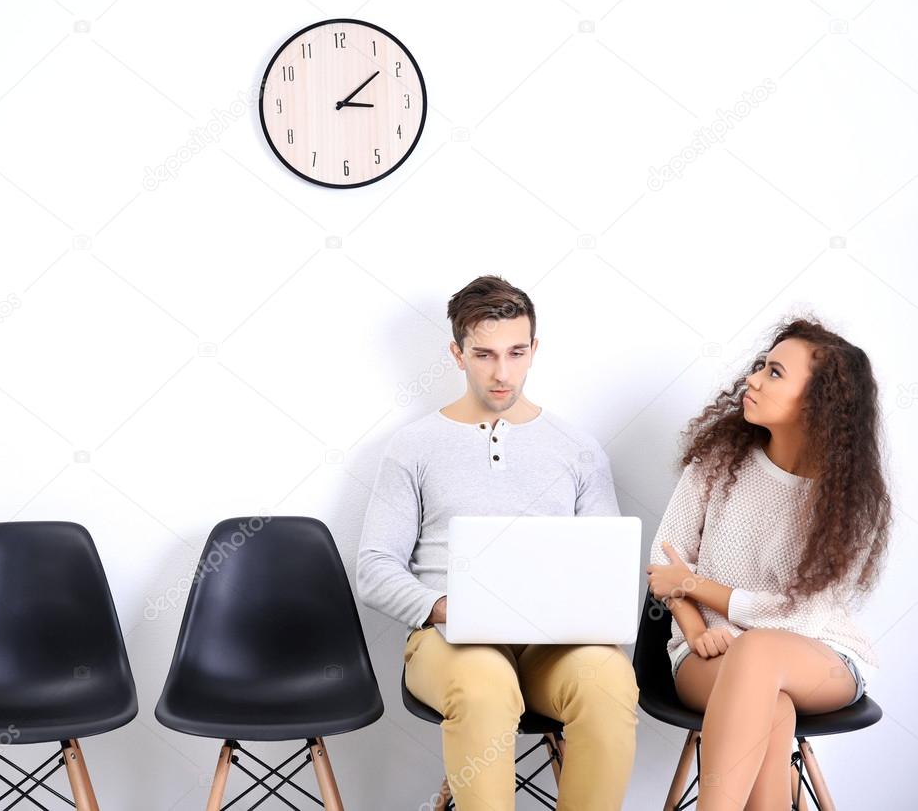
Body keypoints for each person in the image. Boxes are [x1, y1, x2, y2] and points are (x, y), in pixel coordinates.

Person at [356, 275, 638, 811]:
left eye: (515, 352)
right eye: (484, 354)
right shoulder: (414, 446)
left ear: (534, 349)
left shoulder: (578, 448)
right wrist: (443, 608)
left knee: (609, 682)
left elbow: (609, 565)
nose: (502, 372)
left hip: (554, 648)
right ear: (457, 353)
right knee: (485, 685)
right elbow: (374, 566)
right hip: (451, 642)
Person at [646, 317, 890, 810]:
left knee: (757, 653)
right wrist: (693, 629)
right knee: (769, 704)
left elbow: (797, 617)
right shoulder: (717, 462)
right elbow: (662, 563)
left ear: (820, 402)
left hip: (819, 658)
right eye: (761, 365)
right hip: (705, 657)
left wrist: (695, 584)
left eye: (775, 372)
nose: (753, 378)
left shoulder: (849, 501)